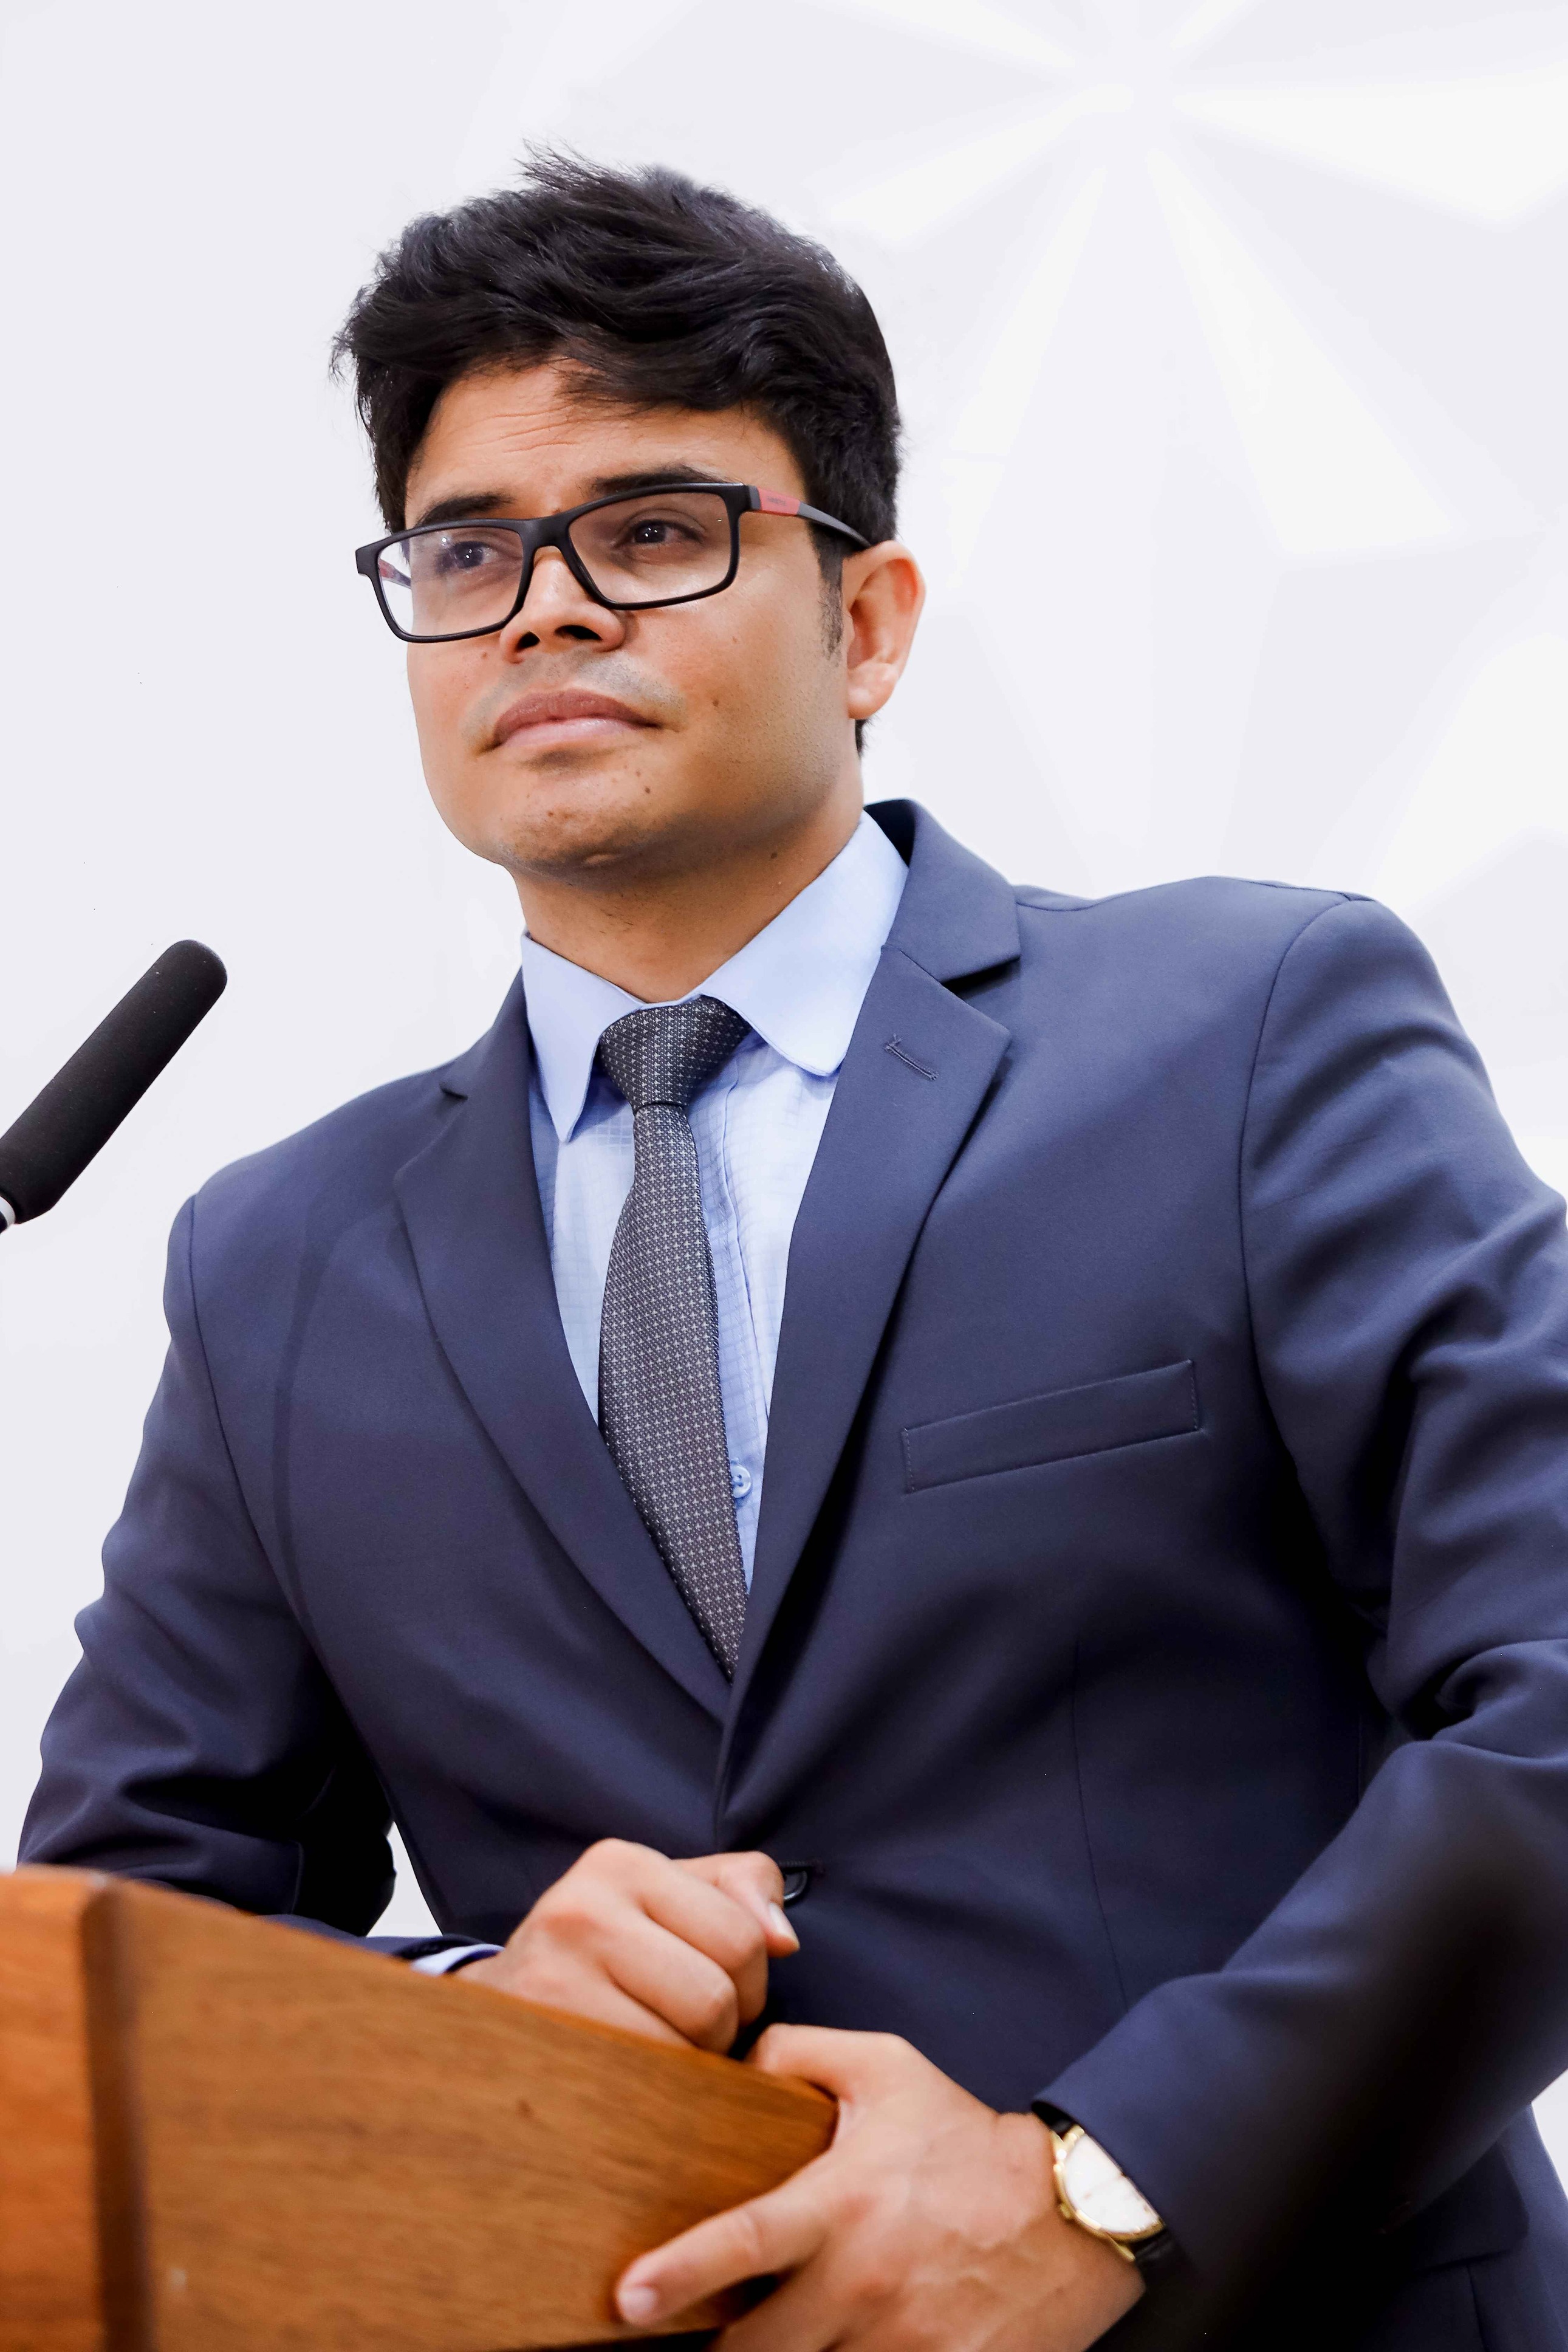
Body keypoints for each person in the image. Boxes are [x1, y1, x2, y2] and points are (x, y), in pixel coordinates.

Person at [22, 153, 1568, 2351]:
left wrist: (1102, 2188)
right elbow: (123, 1951)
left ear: (868, 624)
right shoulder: (274, 1260)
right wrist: (473, 2008)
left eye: (653, 532)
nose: (545, 612)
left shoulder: (1245, 1034)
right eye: (467, 552)